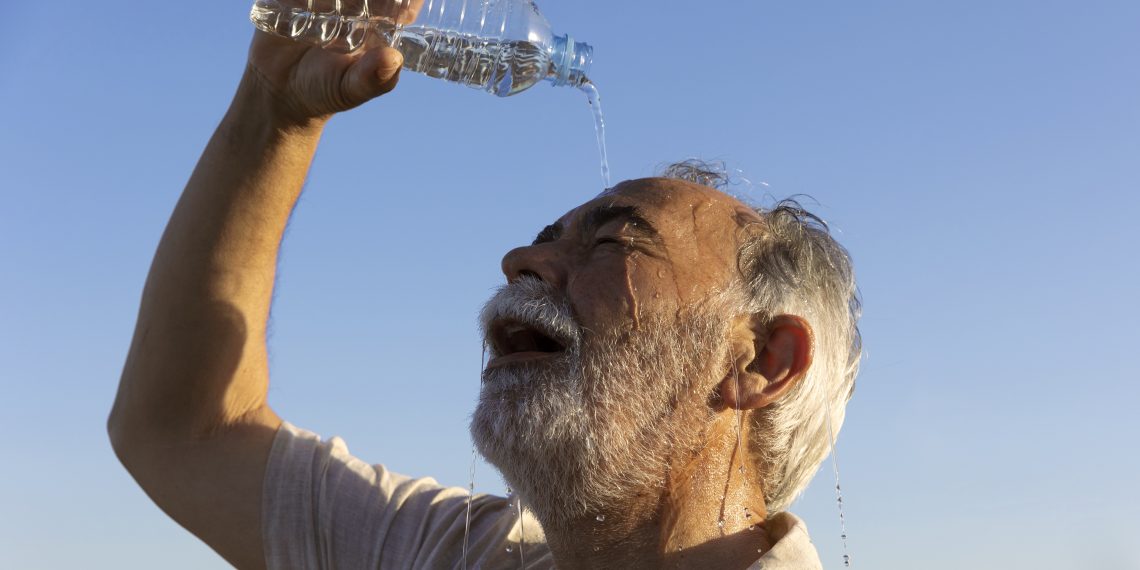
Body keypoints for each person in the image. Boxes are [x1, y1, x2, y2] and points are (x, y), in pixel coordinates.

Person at [109, 15, 861, 570]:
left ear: (762, 360)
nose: (519, 259)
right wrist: (273, 114)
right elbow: (184, 427)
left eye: (614, 240)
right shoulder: (462, 555)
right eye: (545, 235)